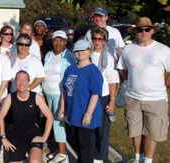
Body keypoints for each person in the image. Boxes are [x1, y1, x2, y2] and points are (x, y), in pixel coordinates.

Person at [117, 17, 170, 163]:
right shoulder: (128, 49)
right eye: (140, 30)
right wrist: (133, 82)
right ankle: (138, 158)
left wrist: (164, 85)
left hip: (156, 99)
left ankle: (147, 161)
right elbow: (123, 69)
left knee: (152, 133)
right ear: (135, 32)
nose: (144, 32)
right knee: (135, 131)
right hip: (133, 98)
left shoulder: (163, 50)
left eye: (147, 29)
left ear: (152, 30)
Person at [60, 40, 103, 163]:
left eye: (83, 50)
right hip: (74, 113)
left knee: (86, 147)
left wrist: (88, 115)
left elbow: (95, 95)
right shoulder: (71, 68)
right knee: (78, 145)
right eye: (77, 50)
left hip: (87, 115)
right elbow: (65, 88)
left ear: (89, 51)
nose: (80, 53)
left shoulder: (93, 71)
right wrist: (63, 107)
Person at [0, 70, 54, 163]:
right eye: (18, 80)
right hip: (17, 136)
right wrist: (3, 138)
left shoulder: (36, 97)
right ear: (15, 82)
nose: (21, 83)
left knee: (35, 162)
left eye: (24, 80)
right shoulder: (10, 98)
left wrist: (44, 137)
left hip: (34, 135)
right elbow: (0, 117)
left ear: (28, 82)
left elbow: (50, 117)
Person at [42, 30, 76, 163]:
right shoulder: (49, 55)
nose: (58, 43)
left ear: (65, 42)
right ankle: (58, 149)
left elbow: (72, 76)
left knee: (58, 123)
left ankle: (63, 154)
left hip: (59, 95)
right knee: (51, 122)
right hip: (48, 94)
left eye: (61, 40)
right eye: (56, 40)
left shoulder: (69, 56)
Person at [90, 26, 120, 163]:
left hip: (103, 96)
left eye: (99, 39)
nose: (96, 41)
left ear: (105, 40)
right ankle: (91, 152)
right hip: (88, 96)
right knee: (90, 128)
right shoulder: (87, 54)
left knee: (102, 129)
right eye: (94, 38)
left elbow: (113, 81)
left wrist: (112, 102)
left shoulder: (109, 58)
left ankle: (100, 157)